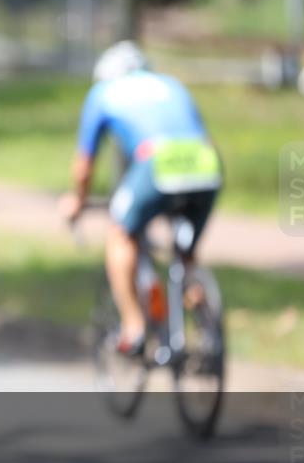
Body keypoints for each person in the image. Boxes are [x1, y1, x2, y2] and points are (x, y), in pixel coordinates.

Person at [60, 42, 222, 355]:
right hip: (206, 162)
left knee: (121, 234)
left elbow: (83, 168)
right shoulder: (170, 84)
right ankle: (205, 321)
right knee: (185, 253)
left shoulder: (103, 93)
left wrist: (77, 201)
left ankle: (134, 327)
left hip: (157, 162)